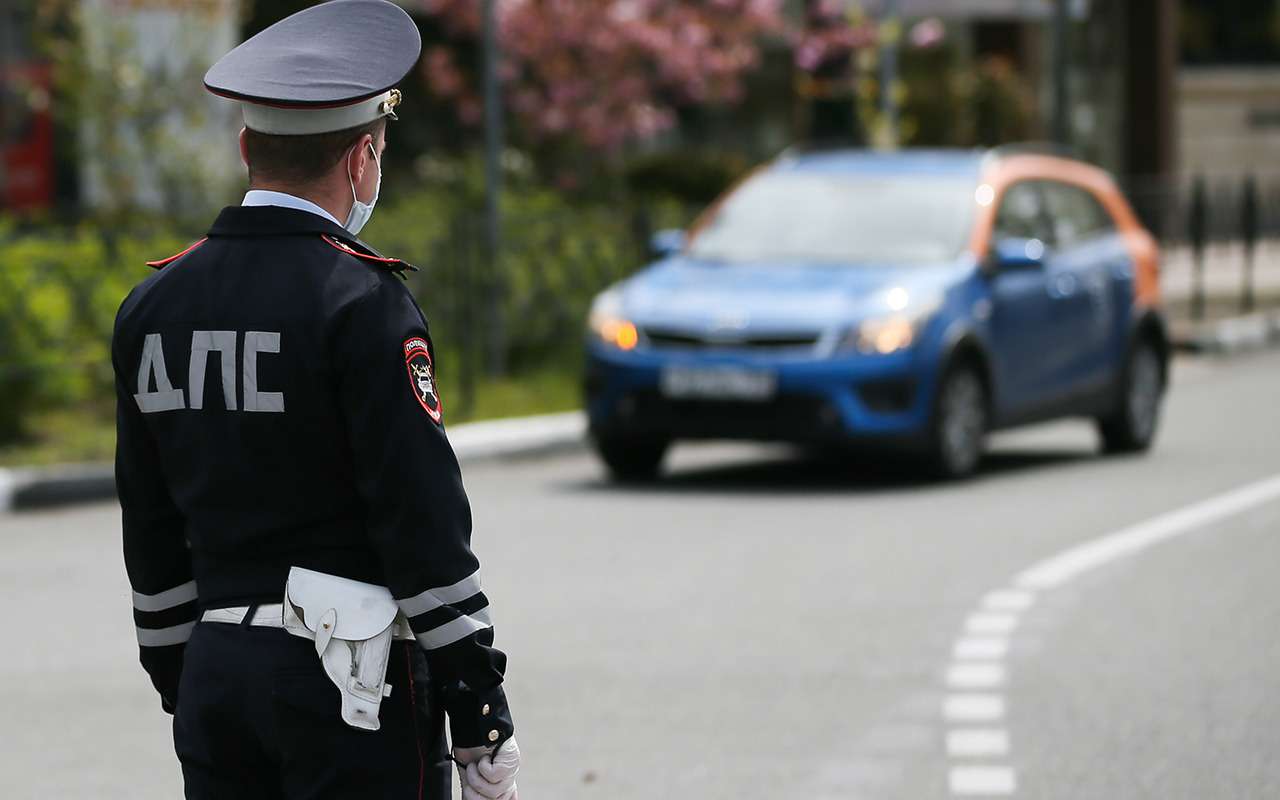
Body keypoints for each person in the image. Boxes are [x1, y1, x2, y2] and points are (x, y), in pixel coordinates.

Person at [111, 2, 519, 797]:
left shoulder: (153, 306)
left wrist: (183, 675)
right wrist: (480, 708)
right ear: (363, 157)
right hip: (351, 689)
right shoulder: (362, 301)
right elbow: (420, 521)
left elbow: (150, 523)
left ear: (246, 148)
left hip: (215, 676)